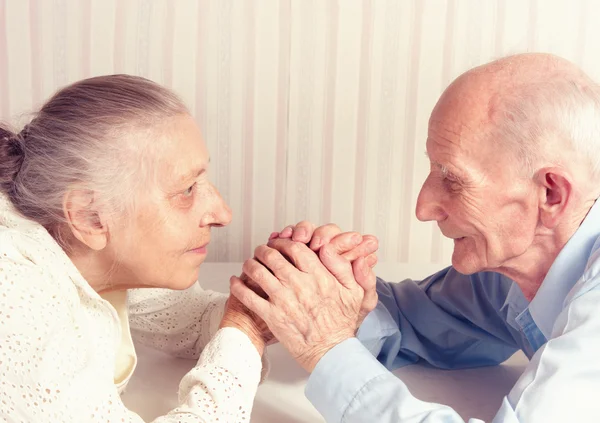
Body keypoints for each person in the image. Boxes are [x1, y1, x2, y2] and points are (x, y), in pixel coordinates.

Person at [233, 53, 600, 422]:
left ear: (550, 195)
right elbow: (422, 322)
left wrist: (329, 348)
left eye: (451, 178)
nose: (423, 208)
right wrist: (336, 297)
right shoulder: (511, 272)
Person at [0, 74, 379, 422]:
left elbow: (194, 321)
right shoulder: (17, 295)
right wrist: (244, 327)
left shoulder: (83, 248)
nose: (222, 213)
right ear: (90, 217)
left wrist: (284, 293)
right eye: (186, 190)